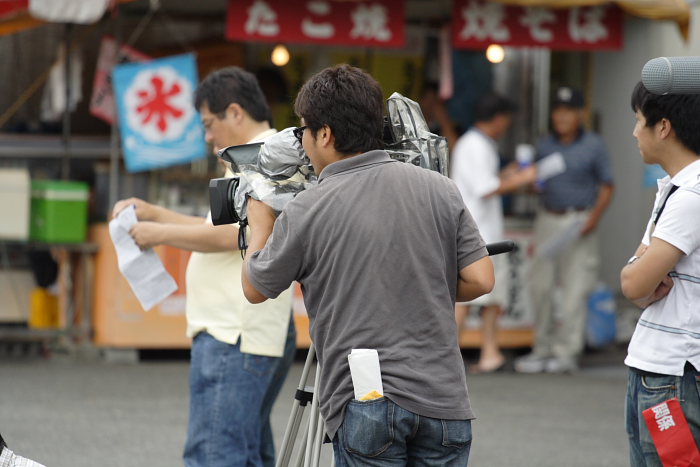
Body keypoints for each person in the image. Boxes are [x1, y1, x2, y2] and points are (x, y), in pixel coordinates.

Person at [241, 64, 494, 466]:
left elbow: (256, 287)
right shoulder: (440, 188)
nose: (303, 140)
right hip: (445, 400)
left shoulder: (309, 206)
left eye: (304, 129)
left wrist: (259, 225)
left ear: (325, 134)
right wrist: (417, 281)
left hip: (368, 397)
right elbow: (481, 279)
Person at [112, 67, 295, 467]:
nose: (208, 136)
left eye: (209, 124)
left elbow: (240, 237)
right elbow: (220, 228)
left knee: (216, 455)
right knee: (244, 452)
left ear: (235, 112)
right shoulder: (259, 157)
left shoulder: (264, 159)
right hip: (241, 329)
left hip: (234, 330)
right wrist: (153, 213)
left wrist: (158, 235)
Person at [621, 81, 700, 466]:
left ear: (663, 127)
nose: (635, 132)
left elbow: (634, 280)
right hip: (662, 370)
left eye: (639, 121)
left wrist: (640, 276)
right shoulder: (676, 188)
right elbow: (638, 284)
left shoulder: (691, 195)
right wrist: (641, 276)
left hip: (674, 374)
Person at [514, 86, 614, 374]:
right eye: (558, 110)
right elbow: (535, 181)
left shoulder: (594, 145)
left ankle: (566, 352)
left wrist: (594, 218)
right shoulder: (544, 145)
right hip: (548, 217)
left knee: (575, 289)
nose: (562, 116)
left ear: (580, 113)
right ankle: (542, 348)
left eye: (568, 111)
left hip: (579, 221)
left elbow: (608, 185)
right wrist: (532, 184)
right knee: (540, 286)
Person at [450, 94, 537, 373]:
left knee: (488, 300)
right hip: (476, 235)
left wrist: (508, 175)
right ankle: (446, 356)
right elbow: (485, 188)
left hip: (481, 232)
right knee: (463, 296)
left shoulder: (477, 143)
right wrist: (521, 179)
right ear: (498, 118)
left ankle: (490, 352)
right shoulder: (475, 144)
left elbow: (486, 183)